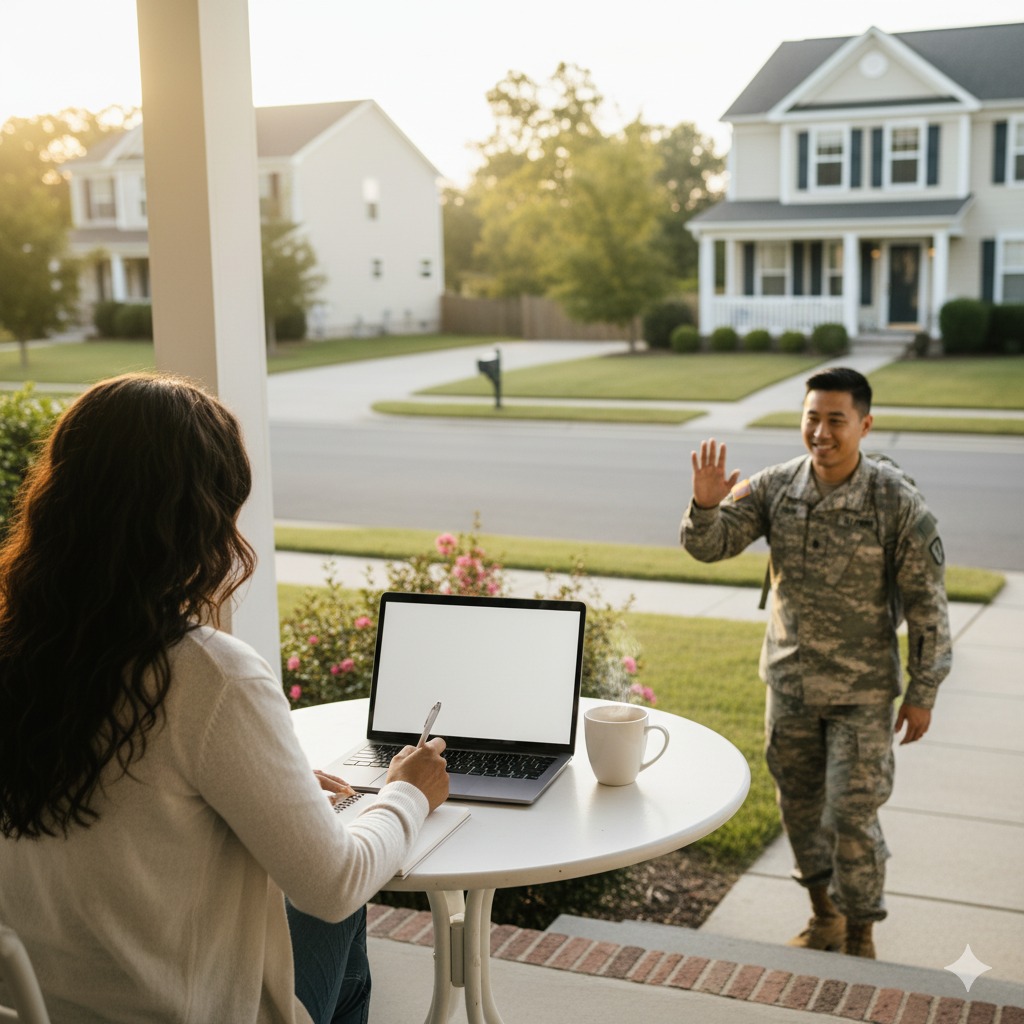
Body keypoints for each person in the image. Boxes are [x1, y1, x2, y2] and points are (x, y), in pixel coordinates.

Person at [0, 373, 449, 1023]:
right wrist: (409, 791)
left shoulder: (18, 646)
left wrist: (263, 792)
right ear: (198, 523)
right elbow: (334, 884)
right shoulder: (209, 675)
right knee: (346, 913)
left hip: (40, 1005)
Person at [680, 366, 950, 959]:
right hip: (791, 686)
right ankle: (823, 916)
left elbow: (929, 604)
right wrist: (703, 506)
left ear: (864, 424)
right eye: (812, 417)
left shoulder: (893, 500)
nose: (821, 432)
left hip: (862, 693)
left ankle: (860, 934)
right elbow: (711, 545)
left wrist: (923, 691)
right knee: (799, 812)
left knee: (851, 816)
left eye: (836, 419)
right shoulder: (776, 487)